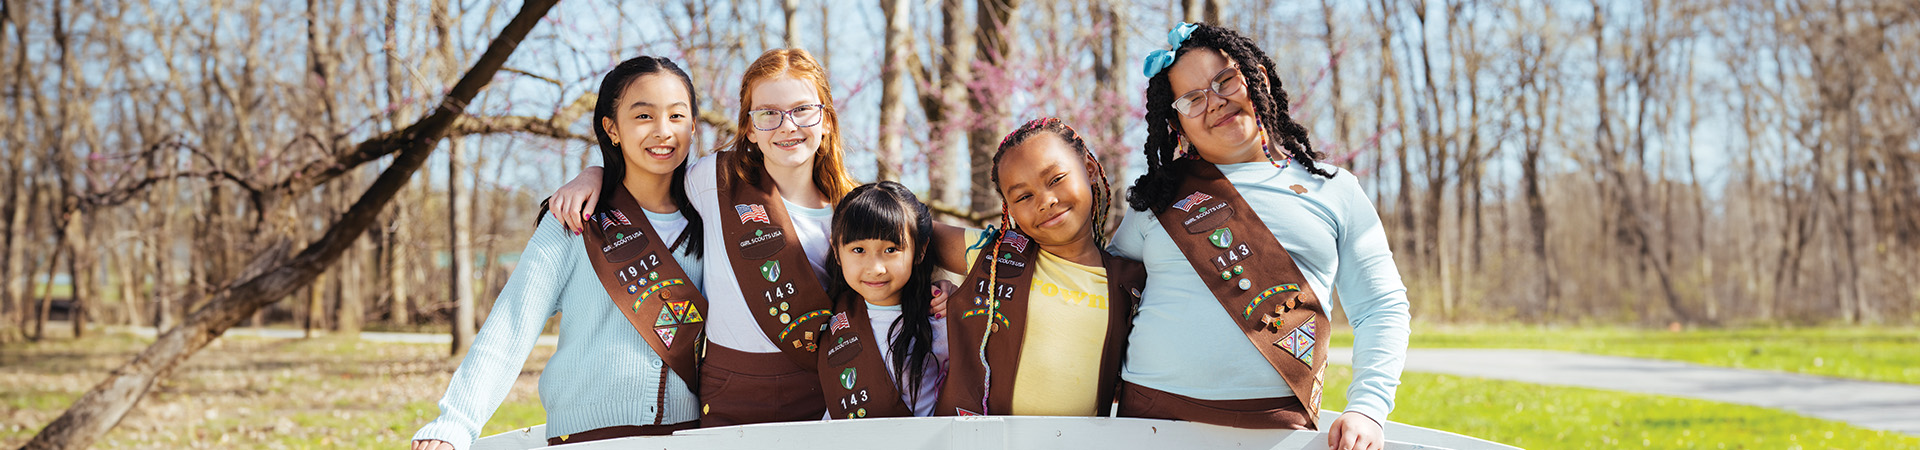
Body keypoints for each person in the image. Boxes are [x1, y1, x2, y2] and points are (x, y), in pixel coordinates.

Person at [1111, 22, 1412, 450]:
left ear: (1258, 78)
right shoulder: (1155, 199)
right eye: (1193, 99)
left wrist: (1368, 406)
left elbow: (1381, 306)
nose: (1215, 102)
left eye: (1225, 80)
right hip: (1150, 421)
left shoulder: (1335, 189)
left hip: (1278, 429)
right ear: (1177, 124)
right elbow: (1105, 299)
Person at [547, 48, 859, 427]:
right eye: (768, 113)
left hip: (818, 396)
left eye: (802, 110)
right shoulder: (715, 180)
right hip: (728, 397)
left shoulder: (852, 211)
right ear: (748, 127)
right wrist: (595, 173)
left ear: (826, 119)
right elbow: (651, 176)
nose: (787, 125)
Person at [411, 55, 709, 450]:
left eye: (676, 116)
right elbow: (512, 324)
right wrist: (455, 423)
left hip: (690, 436)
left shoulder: (710, 220)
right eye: (643, 117)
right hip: (586, 438)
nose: (662, 131)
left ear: (692, 126)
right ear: (612, 129)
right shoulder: (574, 220)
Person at [927, 118, 1146, 417]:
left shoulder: (1131, 281)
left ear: (1090, 169)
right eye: (1024, 196)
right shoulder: (994, 257)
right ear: (1009, 209)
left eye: (1056, 179)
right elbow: (904, 229)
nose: (1045, 201)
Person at [815, 181, 948, 419]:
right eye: (858, 250)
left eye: (890, 250)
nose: (875, 268)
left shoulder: (938, 319)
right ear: (836, 251)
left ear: (920, 250)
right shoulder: (828, 315)